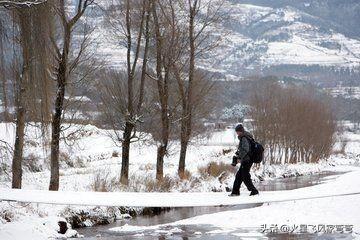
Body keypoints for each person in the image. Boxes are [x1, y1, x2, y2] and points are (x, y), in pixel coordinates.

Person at [229, 124, 259, 196]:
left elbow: (246, 149)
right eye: (236, 132)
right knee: (239, 176)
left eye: (237, 131)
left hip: (247, 160)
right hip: (246, 160)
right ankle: (235, 192)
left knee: (245, 176)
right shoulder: (245, 137)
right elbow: (242, 149)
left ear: (241, 131)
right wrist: (238, 154)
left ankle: (254, 191)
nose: (237, 133)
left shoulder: (244, 138)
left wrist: (239, 157)